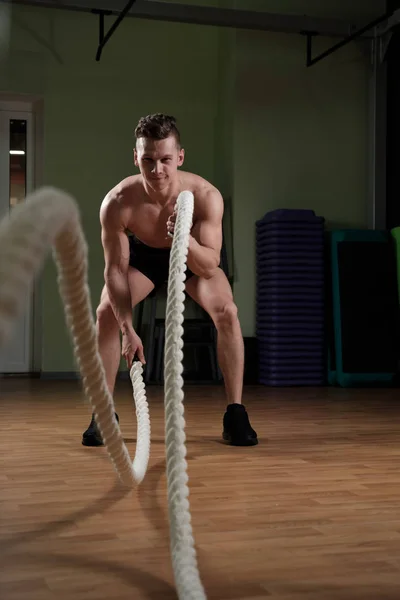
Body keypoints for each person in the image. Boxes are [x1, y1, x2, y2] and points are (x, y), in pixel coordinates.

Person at [82, 113, 258, 447]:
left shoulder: (206, 195)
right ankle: (103, 413)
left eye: (165, 160)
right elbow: (115, 271)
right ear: (136, 157)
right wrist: (127, 330)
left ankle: (235, 413)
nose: (156, 170)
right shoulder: (118, 202)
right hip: (144, 258)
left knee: (228, 313)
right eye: (147, 160)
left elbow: (210, 266)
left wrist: (186, 240)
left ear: (179, 157)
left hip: (194, 256)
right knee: (106, 312)